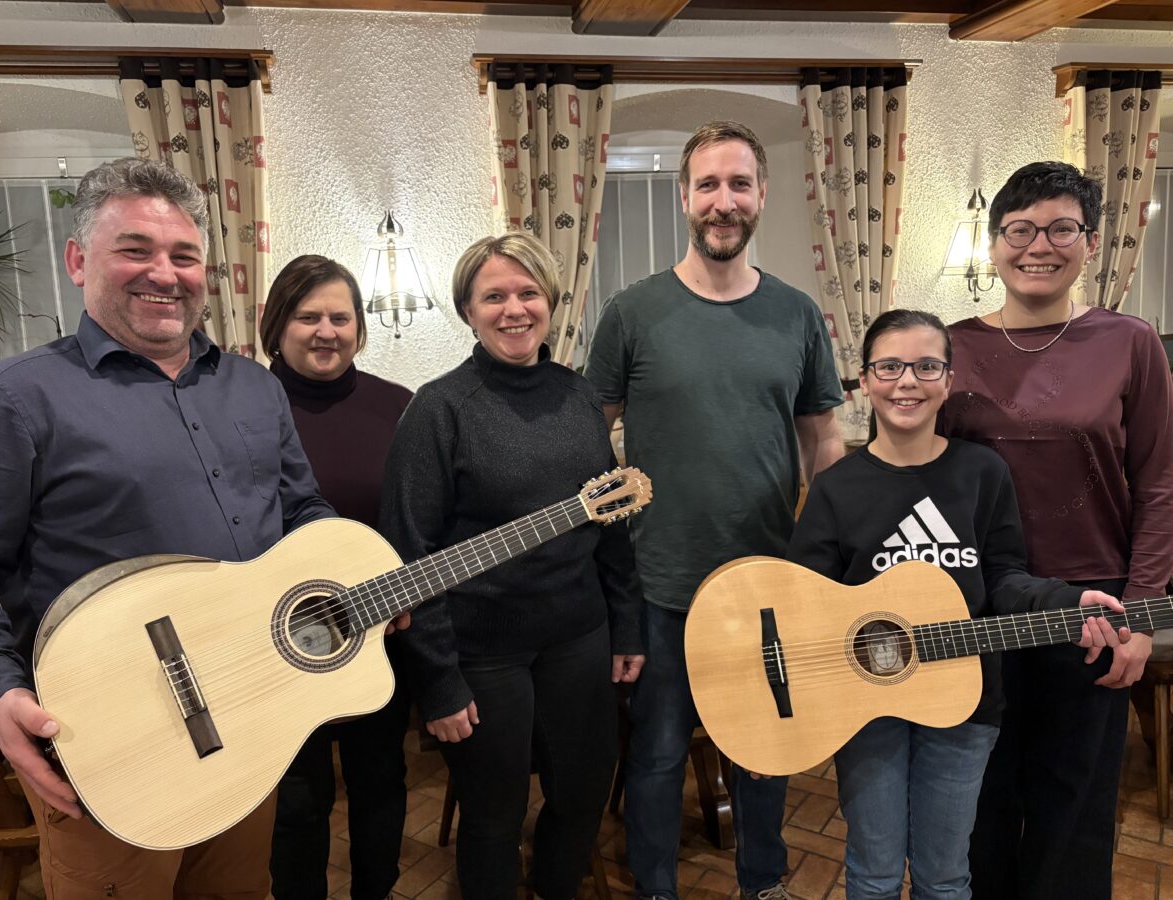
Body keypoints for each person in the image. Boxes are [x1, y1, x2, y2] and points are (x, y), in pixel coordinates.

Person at [0, 157, 385, 898]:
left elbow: (300, 511)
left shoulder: (255, 388)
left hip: (249, 717)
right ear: (78, 260)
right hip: (110, 742)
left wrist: (345, 569)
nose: (164, 273)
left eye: (183, 255)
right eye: (135, 249)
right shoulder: (14, 398)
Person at [584, 120, 845, 900]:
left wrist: (823, 565)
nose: (723, 201)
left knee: (765, 748)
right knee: (659, 752)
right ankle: (656, 887)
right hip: (660, 578)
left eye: (739, 184)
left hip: (768, 577)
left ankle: (763, 883)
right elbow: (589, 442)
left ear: (762, 195)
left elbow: (823, 441)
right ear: (685, 197)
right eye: (708, 185)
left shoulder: (797, 315)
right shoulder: (632, 312)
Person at [787, 308, 1130, 900]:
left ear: (948, 381)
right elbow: (804, 597)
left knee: (946, 876)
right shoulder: (837, 485)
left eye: (926, 366)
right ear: (864, 381)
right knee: (871, 873)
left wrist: (1067, 601)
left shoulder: (982, 473)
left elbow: (1003, 578)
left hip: (965, 702)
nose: (907, 381)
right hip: (865, 708)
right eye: (889, 366)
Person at [379, 232, 644, 900]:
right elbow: (412, 553)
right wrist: (437, 683)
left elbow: (609, 523)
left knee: (582, 799)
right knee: (494, 819)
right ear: (468, 309)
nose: (513, 309)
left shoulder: (581, 398)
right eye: (493, 295)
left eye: (528, 293)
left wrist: (627, 626)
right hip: (481, 654)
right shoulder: (438, 410)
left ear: (551, 302)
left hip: (579, 639)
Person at [941, 161, 1173, 900]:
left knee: (1073, 805)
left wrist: (1140, 615)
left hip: (1094, 606)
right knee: (980, 795)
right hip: (978, 607)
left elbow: (1161, 482)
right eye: (1020, 229)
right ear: (994, 241)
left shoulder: (1130, 341)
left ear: (1092, 241)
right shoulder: (949, 347)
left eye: (1060, 228)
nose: (1038, 245)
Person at [259, 255, 413, 900]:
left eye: (340, 317)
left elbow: (415, 519)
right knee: (297, 802)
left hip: (377, 633)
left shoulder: (399, 407)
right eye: (308, 315)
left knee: (381, 784)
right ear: (276, 325)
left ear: (359, 327)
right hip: (271, 639)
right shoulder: (241, 403)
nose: (327, 330)